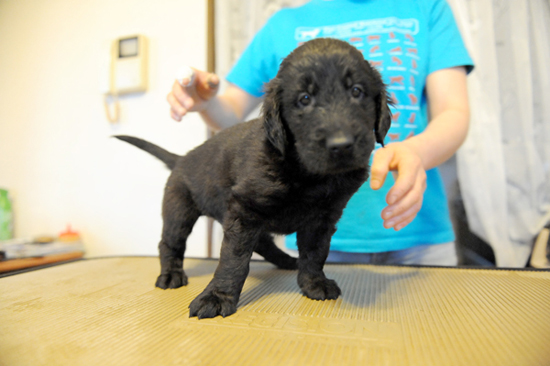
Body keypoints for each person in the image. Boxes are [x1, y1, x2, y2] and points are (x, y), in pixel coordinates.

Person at [166, 0, 473, 266]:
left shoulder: (426, 7)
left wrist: (415, 152)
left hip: (420, 240)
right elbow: (231, 113)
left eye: (356, 91)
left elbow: (453, 112)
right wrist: (206, 101)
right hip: (312, 240)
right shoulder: (283, 24)